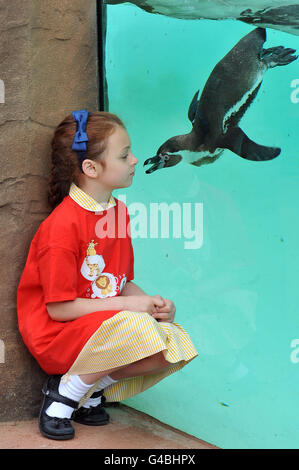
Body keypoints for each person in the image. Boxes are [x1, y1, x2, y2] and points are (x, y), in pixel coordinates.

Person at [17, 110, 198, 441]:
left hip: (102, 327)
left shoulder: (117, 212)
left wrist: (150, 303)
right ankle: (64, 394)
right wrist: (126, 308)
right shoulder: (61, 226)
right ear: (91, 168)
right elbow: (58, 310)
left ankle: (90, 388)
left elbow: (121, 281)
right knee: (135, 325)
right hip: (59, 335)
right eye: (124, 154)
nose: (135, 159)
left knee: (171, 340)